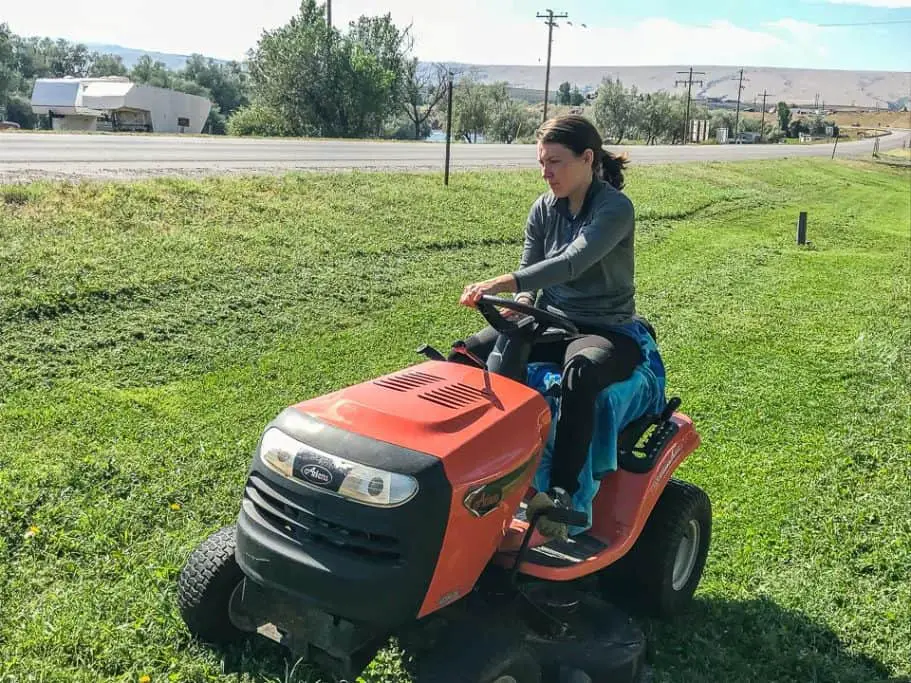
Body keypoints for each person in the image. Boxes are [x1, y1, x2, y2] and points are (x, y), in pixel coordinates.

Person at [457, 114, 643, 540]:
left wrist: (508, 283)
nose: (546, 173)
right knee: (465, 355)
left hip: (605, 329)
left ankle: (560, 494)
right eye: (542, 163)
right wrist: (519, 305)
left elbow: (572, 261)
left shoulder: (614, 208)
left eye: (556, 162)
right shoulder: (543, 208)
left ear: (587, 159)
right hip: (552, 320)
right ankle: (464, 468)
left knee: (581, 373)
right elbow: (530, 271)